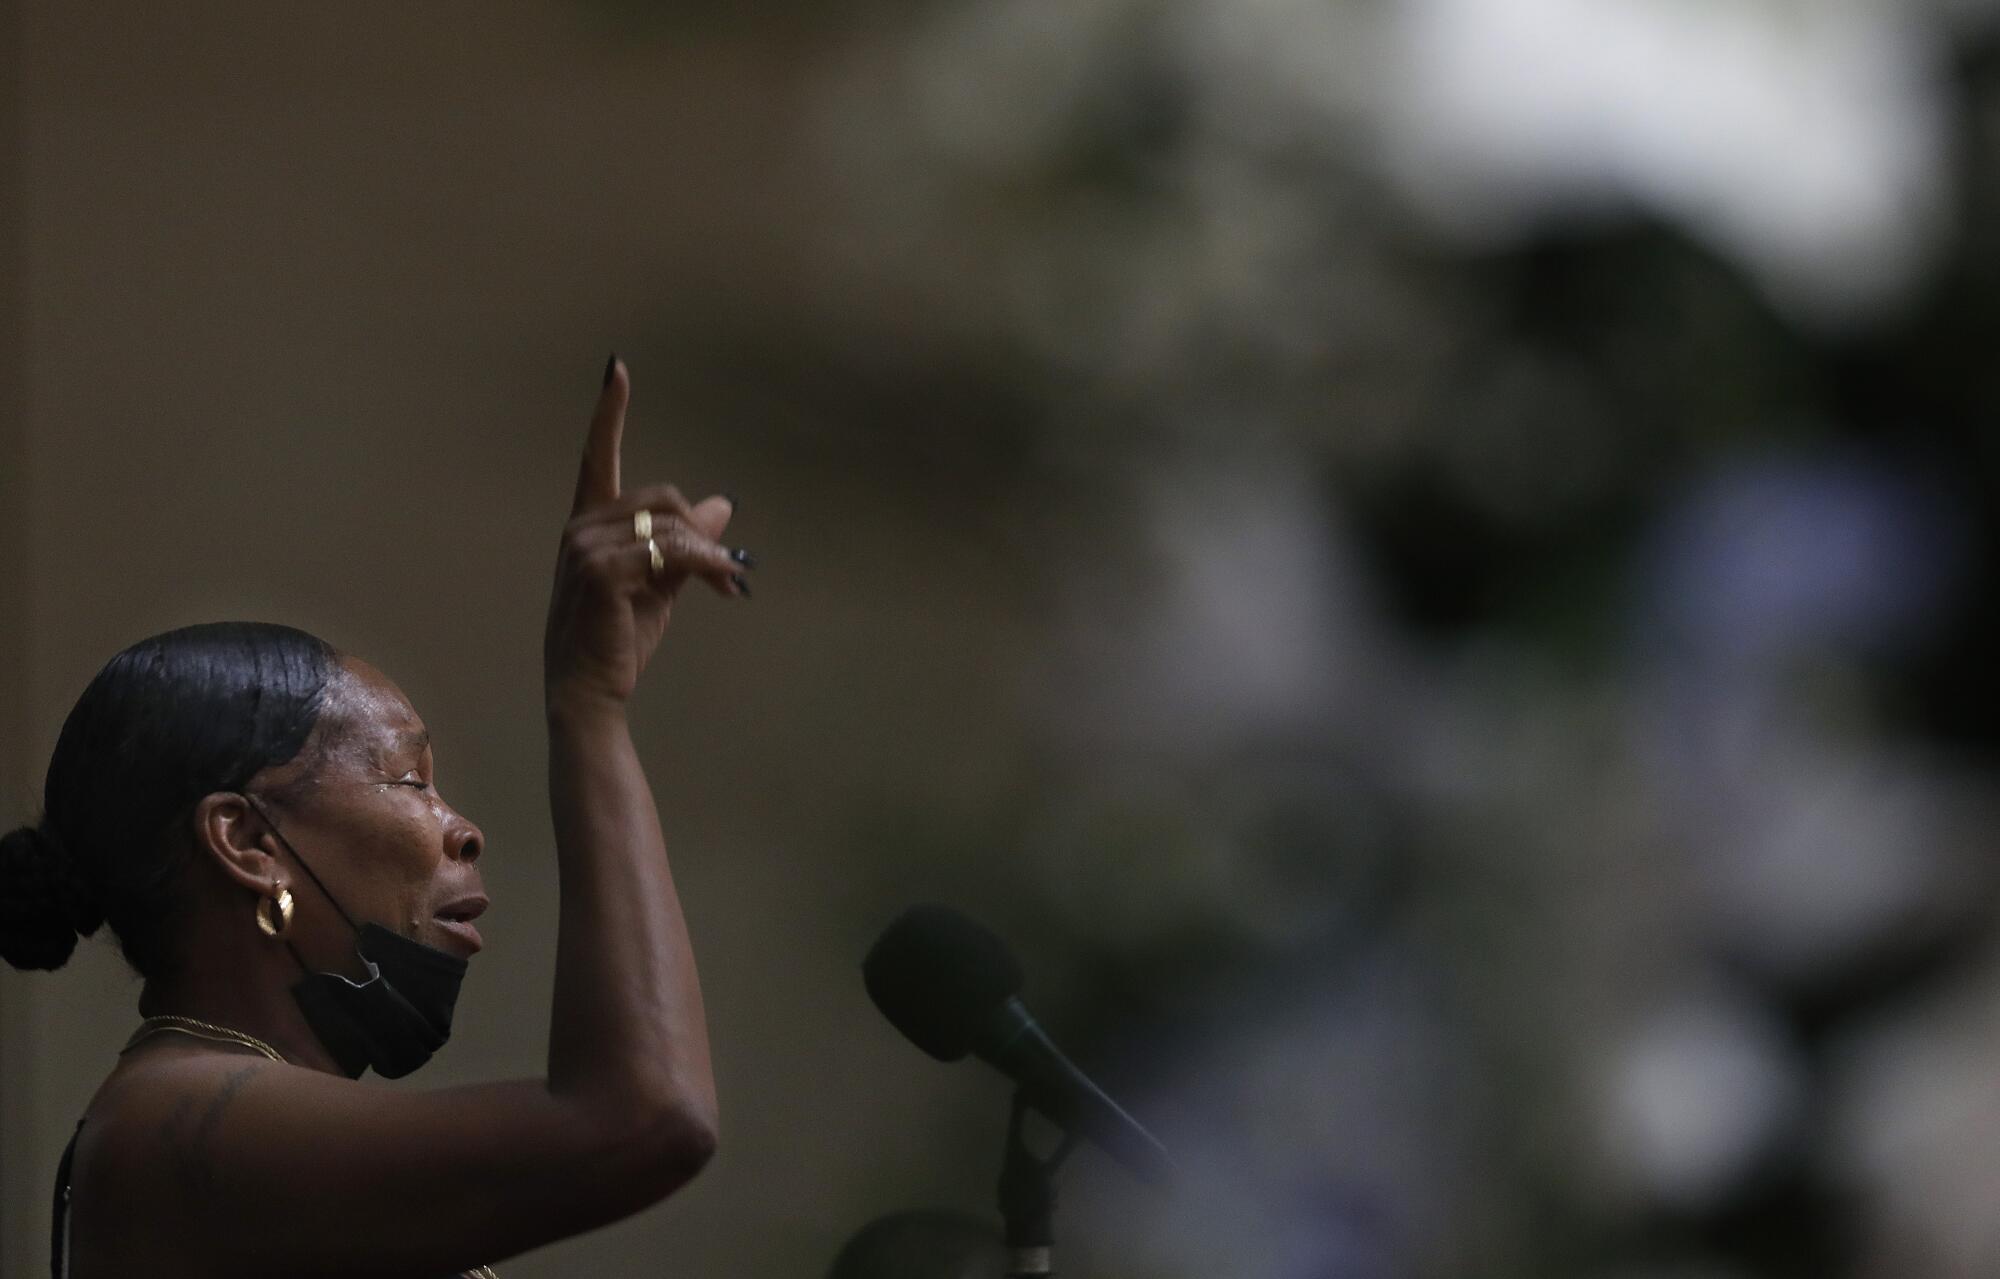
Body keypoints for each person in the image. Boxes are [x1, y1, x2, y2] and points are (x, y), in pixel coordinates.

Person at [0, 356, 752, 1277]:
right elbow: (647, 1114)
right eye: (408, 778)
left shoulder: (219, 1114)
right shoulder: (172, 1120)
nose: (463, 829)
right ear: (246, 842)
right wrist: (590, 704)